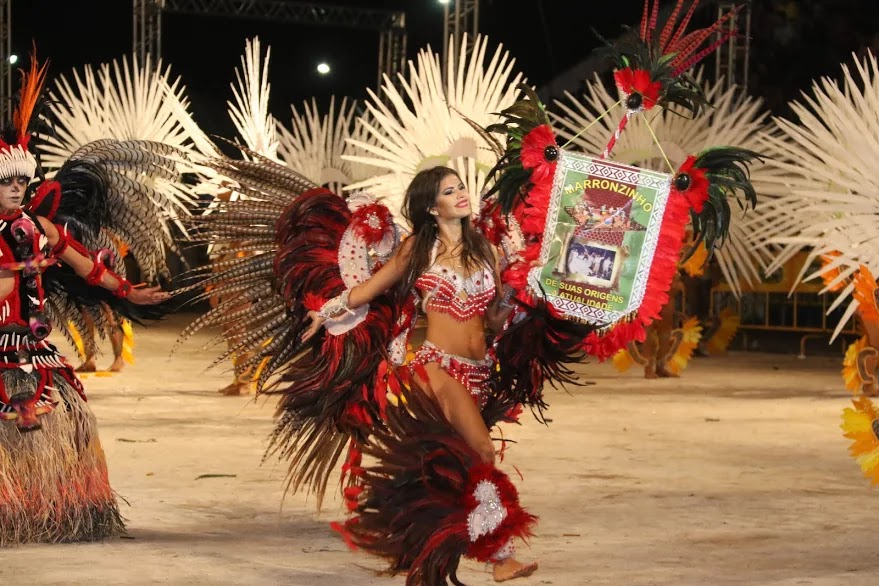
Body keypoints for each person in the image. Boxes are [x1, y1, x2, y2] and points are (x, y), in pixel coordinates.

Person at [302, 166, 538, 583]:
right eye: (450, 191)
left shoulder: (486, 250)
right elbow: (370, 289)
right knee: (483, 451)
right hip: (437, 368)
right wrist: (326, 311)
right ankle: (501, 555)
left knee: (458, 465)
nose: (462, 194)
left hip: (480, 372)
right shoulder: (418, 249)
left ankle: (428, 546)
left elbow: (494, 321)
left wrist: (513, 313)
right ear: (432, 206)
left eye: (462, 186)